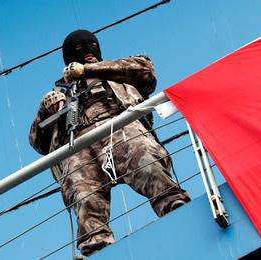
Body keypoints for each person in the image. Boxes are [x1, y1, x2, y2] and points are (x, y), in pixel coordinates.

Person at [29, 29, 190, 257]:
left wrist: (88, 70)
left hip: (120, 125)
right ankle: (97, 247)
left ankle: (173, 205)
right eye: (79, 50)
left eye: (91, 46)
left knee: (147, 164)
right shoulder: (61, 93)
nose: (88, 52)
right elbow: (38, 142)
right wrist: (44, 110)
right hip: (79, 143)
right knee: (84, 197)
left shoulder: (116, 70)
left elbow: (145, 71)